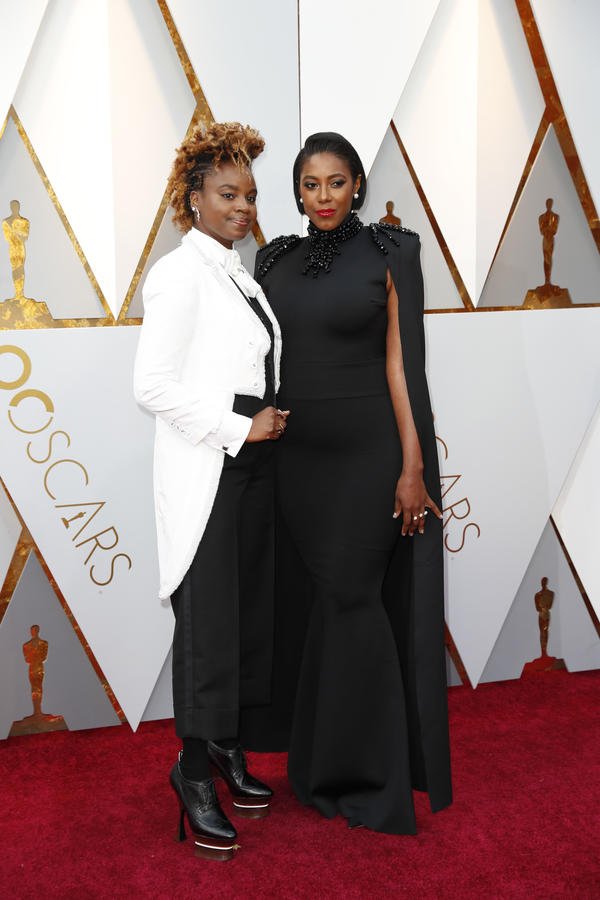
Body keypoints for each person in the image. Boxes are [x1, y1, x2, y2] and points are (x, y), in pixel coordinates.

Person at [255, 132, 452, 834]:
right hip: (296, 460)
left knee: (353, 596)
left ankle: (370, 779)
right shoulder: (274, 257)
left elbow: (405, 366)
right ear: (297, 191)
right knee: (320, 606)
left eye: (336, 182)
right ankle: (315, 768)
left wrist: (412, 467)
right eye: (310, 185)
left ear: (358, 185)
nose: (324, 197)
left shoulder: (394, 251)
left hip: (369, 456)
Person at [134, 122, 288, 861]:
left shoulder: (237, 271)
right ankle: (192, 772)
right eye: (228, 194)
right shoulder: (178, 272)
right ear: (192, 197)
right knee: (208, 629)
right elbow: (151, 385)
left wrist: (264, 421)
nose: (243, 207)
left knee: (246, 619)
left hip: (252, 467)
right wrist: (236, 428)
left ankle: (225, 748)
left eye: (251, 196)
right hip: (210, 464)